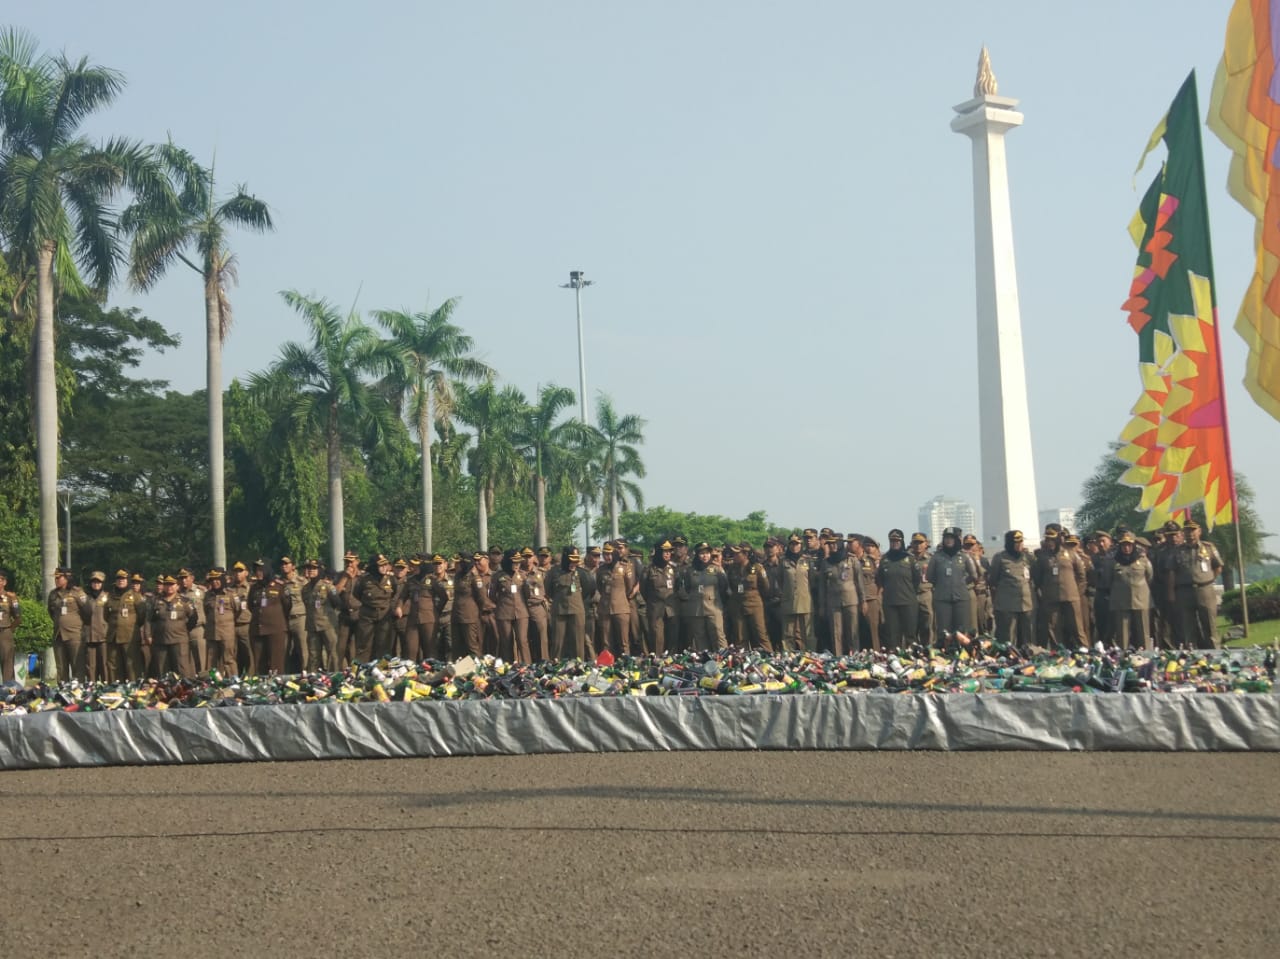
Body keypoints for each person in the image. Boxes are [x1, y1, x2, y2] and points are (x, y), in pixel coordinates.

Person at [1169, 519, 1225, 648]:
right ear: (1183, 533)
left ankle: (1215, 652)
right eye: (1187, 530)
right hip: (1184, 592)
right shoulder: (1177, 551)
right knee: (1187, 627)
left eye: (1193, 530)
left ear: (1199, 531)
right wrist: (1171, 592)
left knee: (1210, 625)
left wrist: (1208, 579)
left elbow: (1218, 567)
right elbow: (1171, 572)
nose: (1190, 534)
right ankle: (1190, 655)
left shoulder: (1208, 547)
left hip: (1205, 590)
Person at [1032, 528, 1086, 649]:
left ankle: (1085, 651)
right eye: (1047, 539)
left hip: (1071, 596)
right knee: (1053, 628)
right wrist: (1043, 593)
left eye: (1052, 540)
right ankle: (1058, 652)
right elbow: (1037, 578)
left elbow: (1081, 575)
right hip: (1051, 598)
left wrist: (1077, 592)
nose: (1049, 542)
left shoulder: (1070, 553)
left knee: (1077, 627)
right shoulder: (1042, 557)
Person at [1105, 531, 1154, 650]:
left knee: (1143, 632)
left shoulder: (1143, 560)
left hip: (1141, 600)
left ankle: (1146, 655)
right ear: (1120, 546)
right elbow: (1108, 580)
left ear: (1133, 546)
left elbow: (1150, 577)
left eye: (1129, 545)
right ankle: (1123, 658)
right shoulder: (1113, 561)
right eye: (1123, 545)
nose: (1126, 548)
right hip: (1121, 602)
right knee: (1122, 634)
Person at [926, 528, 974, 647]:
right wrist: (942, 584)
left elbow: (973, 575)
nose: (948, 540)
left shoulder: (964, 556)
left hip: (961, 598)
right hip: (942, 598)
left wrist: (961, 583)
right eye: (946, 538)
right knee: (944, 631)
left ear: (956, 540)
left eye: (951, 538)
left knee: (962, 631)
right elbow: (929, 576)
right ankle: (944, 655)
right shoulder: (937, 557)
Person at [987, 530, 1034, 649]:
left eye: (1021, 542)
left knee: (1027, 637)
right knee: (1008, 637)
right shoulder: (1000, 558)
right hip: (1007, 604)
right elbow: (993, 580)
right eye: (1016, 543)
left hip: (1026, 603)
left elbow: (1035, 576)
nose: (1019, 545)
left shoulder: (1028, 557)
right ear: (1009, 543)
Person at [677, 542, 727, 651]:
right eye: (702, 553)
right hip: (696, 609)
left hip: (714, 608)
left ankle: (725, 661)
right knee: (700, 638)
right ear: (697, 555)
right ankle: (705, 663)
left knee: (718, 636)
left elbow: (724, 587)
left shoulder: (716, 569)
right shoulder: (690, 570)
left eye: (707, 553)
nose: (705, 556)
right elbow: (686, 588)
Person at [817, 536, 862, 657]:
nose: (833, 546)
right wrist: (822, 605)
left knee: (853, 631)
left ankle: (855, 657)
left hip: (851, 600)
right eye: (830, 544)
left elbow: (859, 582)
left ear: (841, 544)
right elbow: (822, 586)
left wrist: (863, 601)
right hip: (833, 602)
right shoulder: (826, 563)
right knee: (836, 632)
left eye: (835, 543)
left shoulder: (851, 560)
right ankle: (838, 658)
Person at [877, 530, 920, 648]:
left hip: (908, 602)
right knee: (893, 635)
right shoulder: (884, 559)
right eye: (892, 541)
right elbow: (880, 579)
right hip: (890, 602)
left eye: (897, 541)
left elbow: (917, 580)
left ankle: (912, 659)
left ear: (902, 542)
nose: (894, 543)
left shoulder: (909, 559)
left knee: (910, 635)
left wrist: (909, 592)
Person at [725, 542, 772, 651]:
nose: (734, 556)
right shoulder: (732, 568)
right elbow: (730, 586)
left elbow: (765, 587)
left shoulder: (757, 568)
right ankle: (743, 662)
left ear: (745, 554)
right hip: (737, 605)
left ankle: (770, 658)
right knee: (740, 637)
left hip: (754, 604)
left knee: (761, 634)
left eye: (737, 554)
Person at [148, 574, 198, 677]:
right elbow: (149, 620)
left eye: (172, 585)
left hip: (179, 640)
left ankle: (184, 691)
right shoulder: (155, 601)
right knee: (162, 671)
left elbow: (193, 618)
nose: (169, 587)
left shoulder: (185, 601)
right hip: (161, 641)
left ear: (177, 586)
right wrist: (148, 635)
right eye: (167, 584)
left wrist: (184, 629)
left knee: (182, 669)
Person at [547, 547, 590, 660]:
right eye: (571, 560)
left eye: (576, 560)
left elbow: (588, 589)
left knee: (578, 642)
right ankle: (555, 667)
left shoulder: (582, 572)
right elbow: (548, 590)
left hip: (577, 610)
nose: (573, 563)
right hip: (559, 610)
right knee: (557, 642)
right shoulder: (554, 572)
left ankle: (578, 667)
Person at [48, 567, 88, 682]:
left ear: (67, 578)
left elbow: (87, 612)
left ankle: (78, 692)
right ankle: (62, 693)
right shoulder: (53, 594)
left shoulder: (77, 592)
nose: (56, 580)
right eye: (55, 578)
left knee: (77, 666)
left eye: (58, 577)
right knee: (61, 667)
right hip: (59, 635)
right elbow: (51, 612)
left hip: (75, 635)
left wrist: (75, 624)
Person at [777, 534, 815, 652]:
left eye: (797, 544)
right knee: (788, 632)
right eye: (792, 544)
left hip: (805, 600)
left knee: (808, 633)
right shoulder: (783, 561)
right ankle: (789, 655)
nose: (794, 546)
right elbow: (780, 580)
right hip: (789, 600)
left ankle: (810, 655)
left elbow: (812, 581)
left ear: (801, 545)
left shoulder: (807, 560)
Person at [492, 548, 530, 663]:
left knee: (522, 640)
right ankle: (508, 666)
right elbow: (492, 595)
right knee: (506, 641)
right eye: (514, 562)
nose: (517, 564)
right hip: (504, 612)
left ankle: (527, 666)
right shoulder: (498, 576)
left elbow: (528, 594)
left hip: (521, 612)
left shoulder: (523, 576)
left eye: (519, 562)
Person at [355, 555, 396, 661]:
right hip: (367, 615)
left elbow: (394, 593)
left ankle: (383, 673)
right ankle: (361, 671)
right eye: (380, 565)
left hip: (384, 615)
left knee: (384, 645)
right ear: (374, 566)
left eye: (385, 564)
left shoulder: (391, 579)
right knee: (364, 645)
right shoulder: (364, 580)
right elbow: (357, 594)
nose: (384, 567)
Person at [642, 541, 679, 655]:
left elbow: (677, 587)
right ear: (658, 552)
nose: (667, 554)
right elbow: (643, 589)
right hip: (656, 609)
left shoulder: (673, 568)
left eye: (669, 551)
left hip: (671, 608)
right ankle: (658, 662)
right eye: (665, 551)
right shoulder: (649, 570)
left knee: (672, 638)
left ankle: (672, 663)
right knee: (658, 638)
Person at [302, 560, 340, 669]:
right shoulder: (305, 588)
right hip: (312, 626)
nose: (310, 570)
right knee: (313, 655)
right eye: (308, 568)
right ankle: (313, 678)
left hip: (328, 625)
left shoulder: (327, 586)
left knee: (332, 654)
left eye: (314, 568)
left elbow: (337, 603)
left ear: (320, 570)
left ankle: (335, 678)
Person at [204, 568, 238, 676]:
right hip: (212, 633)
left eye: (217, 579)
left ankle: (233, 682)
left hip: (226, 632)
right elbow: (206, 611)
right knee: (211, 661)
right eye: (213, 580)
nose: (215, 582)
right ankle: (213, 685)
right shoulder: (208, 595)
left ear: (223, 580)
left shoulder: (231, 594)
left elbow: (238, 611)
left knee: (229, 659)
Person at [521, 548, 551, 661]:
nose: (527, 559)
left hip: (538, 607)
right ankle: (526, 663)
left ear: (534, 557)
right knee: (524, 638)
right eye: (525, 556)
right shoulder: (518, 574)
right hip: (522, 608)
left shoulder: (541, 573)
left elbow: (548, 590)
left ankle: (544, 662)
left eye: (529, 556)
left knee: (542, 638)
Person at [82, 571, 110, 683]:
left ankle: (106, 686)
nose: (96, 584)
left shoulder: (107, 597)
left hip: (103, 635)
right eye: (94, 582)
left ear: (102, 583)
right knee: (90, 665)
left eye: (98, 582)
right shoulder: (86, 598)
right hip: (89, 635)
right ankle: (91, 687)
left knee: (104, 664)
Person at [0, 569, 19, 683]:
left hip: (5, 632)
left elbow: (18, 617)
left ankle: (8, 691)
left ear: (4, 582)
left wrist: (9, 630)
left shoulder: (10, 597)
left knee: (7, 663)